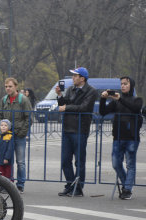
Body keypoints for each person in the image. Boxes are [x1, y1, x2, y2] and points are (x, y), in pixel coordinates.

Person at [56, 67, 98, 197]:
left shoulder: (91, 91)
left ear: (82, 78)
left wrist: (66, 107)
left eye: (75, 76)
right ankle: (70, 184)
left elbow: (84, 107)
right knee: (65, 160)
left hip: (80, 129)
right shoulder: (70, 89)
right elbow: (64, 103)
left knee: (79, 161)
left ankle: (78, 188)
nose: (73, 78)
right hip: (67, 128)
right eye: (73, 76)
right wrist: (59, 96)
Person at [99, 77, 143, 200]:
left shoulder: (137, 100)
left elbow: (134, 109)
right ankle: (126, 185)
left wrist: (120, 99)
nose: (123, 86)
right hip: (117, 137)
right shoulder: (116, 101)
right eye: (121, 84)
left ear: (131, 85)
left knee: (130, 164)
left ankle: (127, 190)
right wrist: (102, 99)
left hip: (132, 137)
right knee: (115, 163)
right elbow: (103, 112)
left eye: (125, 84)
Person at [0, 77, 32, 194]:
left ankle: (20, 185)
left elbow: (29, 118)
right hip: (7, 136)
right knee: (7, 160)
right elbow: (0, 115)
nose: (8, 88)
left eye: (10, 86)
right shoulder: (3, 100)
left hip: (19, 135)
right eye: (6, 86)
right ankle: (6, 184)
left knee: (20, 161)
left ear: (15, 87)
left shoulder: (23, 100)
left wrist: (22, 132)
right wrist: (3, 129)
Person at [0, 119, 14, 183]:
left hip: (8, 160)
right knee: (1, 174)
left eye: (5, 125)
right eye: (1, 125)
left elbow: (10, 149)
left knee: (8, 174)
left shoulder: (10, 136)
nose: (3, 127)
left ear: (9, 127)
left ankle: (9, 187)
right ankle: (2, 186)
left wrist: (6, 158)